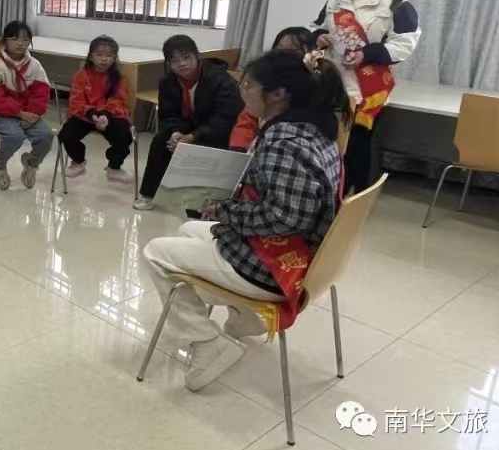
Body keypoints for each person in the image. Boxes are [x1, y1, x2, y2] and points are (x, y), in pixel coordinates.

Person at [141, 50, 350, 391]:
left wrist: (225, 211)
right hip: (302, 254)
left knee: (155, 253)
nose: (243, 92)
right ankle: (247, 317)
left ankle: (208, 343)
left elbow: (285, 218)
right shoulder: (316, 130)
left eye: (249, 85)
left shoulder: (284, 143)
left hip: (276, 266)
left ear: (278, 94)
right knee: (188, 228)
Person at [312, 0, 420, 193]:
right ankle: (329, 191)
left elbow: (405, 43)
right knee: (330, 140)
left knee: (360, 147)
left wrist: (367, 54)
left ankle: (356, 197)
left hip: (369, 86)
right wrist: (320, 37)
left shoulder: (396, 2)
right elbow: (316, 26)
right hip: (334, 82)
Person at [134, 35, 243, 210]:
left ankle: (204, 198)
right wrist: (176, 133)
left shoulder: (220, 79)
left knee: (202, 146)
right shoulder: (168, 83)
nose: (182, 64)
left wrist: (193, 136)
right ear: (168, 63)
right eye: (175, 60)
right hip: (187, 127)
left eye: (186, 57)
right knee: (161, 141)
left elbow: (226, 117)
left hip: (216, 130)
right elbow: (168, 115)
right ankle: (149, 194)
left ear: (197, 56)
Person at [0, 21, 53, 190]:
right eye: (15, 39)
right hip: (0, 114)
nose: (20, 43)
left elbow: (41, 93)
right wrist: (19, 113)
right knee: (15, 136)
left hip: (28, 114)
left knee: (46, 135)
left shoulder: (35, 65)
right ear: (5, 41)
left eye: (25, 40)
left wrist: (33, 113)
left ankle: (32, 163)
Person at [58, 35, 134, 183]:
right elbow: (77, 101)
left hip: (111, 115)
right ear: (91, 56)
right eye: (99, 55)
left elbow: (118, 100)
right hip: (85, 115)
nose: (104, 59)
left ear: (115, 58)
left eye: (109, 56)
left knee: (125, 136)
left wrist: (105, 114)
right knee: (66, 135)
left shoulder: (118, 78)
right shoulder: (81, 75)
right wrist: (92, 113)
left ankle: (114, 167)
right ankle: (78, 161)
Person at [229, 27, 316, 152]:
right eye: (280, 48)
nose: (285, 54)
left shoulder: (281, 139)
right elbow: (245, 126)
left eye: (293, 50)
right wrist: (239, 150)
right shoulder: (263, 91)